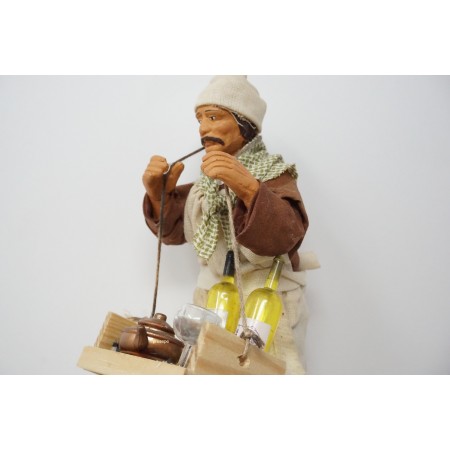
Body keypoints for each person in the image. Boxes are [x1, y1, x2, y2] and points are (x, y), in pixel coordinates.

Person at [142, 76, 318, 374]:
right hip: (214, 301)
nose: (203, 128)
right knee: (208, 369)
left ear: (244, 124)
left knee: (266, 370)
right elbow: (175, 231)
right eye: (199, 119)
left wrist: (248, 188)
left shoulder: (274, 173)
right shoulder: (206, 186)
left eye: (213, 117)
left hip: (264, 306)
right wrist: (158, 195)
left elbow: (286, 234)